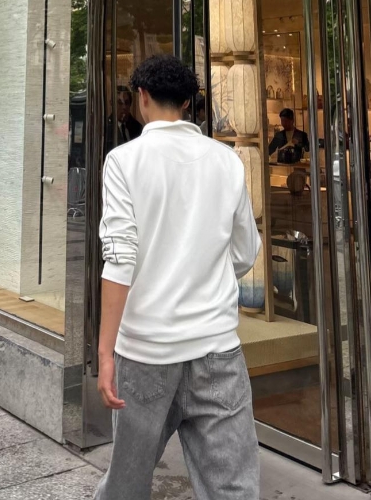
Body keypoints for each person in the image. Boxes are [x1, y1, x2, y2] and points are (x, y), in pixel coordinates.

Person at [95, 54, 261, 500]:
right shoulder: (226, 161)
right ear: (188, 102)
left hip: (146, 351)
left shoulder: (123, 161)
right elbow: (245, 251)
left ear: (142, 97)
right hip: (217, 350)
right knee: (233, 487)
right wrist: (203, 274)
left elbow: (120, 260)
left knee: (126, 485)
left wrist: (105, 353)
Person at [106, 86, 143, 151]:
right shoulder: (106, 127)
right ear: (112, 104)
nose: (124, 107)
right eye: (120, 103)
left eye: (126, 103)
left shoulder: (137, 127)